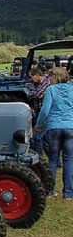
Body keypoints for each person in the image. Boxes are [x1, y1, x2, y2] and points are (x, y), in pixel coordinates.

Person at [35, 67, 73, 200]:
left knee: (53, 159)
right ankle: (68, 193)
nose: (49, 80)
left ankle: (50, 190)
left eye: (50, 77)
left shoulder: (51, 90)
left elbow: (45, 110)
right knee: (69, 160)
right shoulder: (71, 88)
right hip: (70, 126)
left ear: (55, 77)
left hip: (54, 127)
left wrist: (39, 125)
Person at [27, 67, 50, 154]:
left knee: (36, 137)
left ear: (36, 75)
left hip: (44, 114)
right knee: (44, 138)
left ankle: (38, 157)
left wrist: (31, 93)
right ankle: (55, 160)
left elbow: (37, 94)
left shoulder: (46, 82)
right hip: (39, 113)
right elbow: (31, 95)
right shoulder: (38, 84)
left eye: (31, 77)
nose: (30, 80)